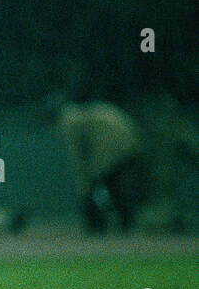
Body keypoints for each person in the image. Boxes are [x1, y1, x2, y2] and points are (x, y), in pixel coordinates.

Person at [52, 97, 148, 233]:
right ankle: (124, 222)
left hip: (117, 147)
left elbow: (78, 156)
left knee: (104, 186)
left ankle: (99, 223)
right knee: (114, 187)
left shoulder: (70, 122)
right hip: (130, 143)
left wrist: (85, 182)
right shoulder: (85, 116)